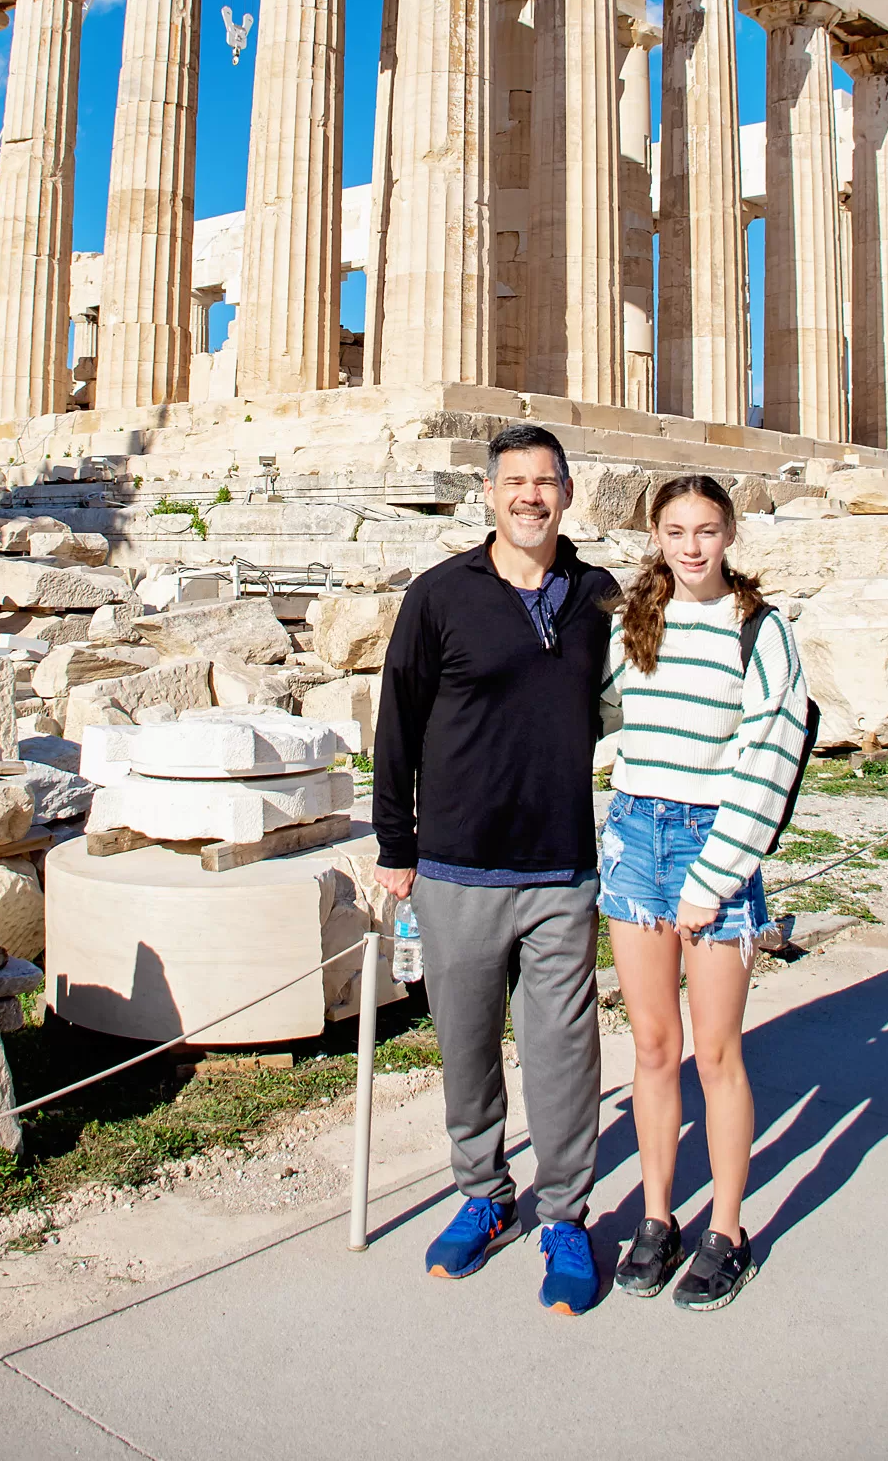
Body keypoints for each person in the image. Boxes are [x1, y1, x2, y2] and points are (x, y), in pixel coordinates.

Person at [372, 423, 618, 1317]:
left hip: (561, 868)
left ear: (566, 493)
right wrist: (394, 846)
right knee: (466, 1051)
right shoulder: (439, 595)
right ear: (486, 494)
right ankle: (483, 1195)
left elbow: (649, 696)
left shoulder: (598, 595)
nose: (528, 495)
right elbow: (396, 720)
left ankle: (564, 1215)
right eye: (512, 480)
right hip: (454, 865)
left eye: (544, 481)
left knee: (564, 1056)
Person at [598, 472, 810, 1310]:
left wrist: (716, 876)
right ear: (655, 535)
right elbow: (602, 715)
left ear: (730, 535)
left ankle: (726, 1229)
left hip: (707, 846)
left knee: (715, 1053)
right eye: (676, 529)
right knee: (652, 1047)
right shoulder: (632, 626)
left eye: (707, 529)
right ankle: (657, 1218)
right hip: (631, 839)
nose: (691, 545)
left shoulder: (760, 632)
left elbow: (768, 759)